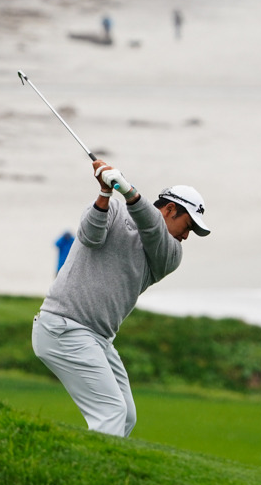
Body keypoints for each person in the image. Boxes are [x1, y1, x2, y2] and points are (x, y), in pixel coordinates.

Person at [32, 159, 210, 437]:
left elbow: (152, 229)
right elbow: (90, 237)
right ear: (171, 209)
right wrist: (105, 193)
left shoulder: (170, 253)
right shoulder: (114, 209)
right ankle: (94, 477)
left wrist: (130, 192)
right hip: (63, 327)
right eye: (187, 226)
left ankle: (105, 468)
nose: (187, 236)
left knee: (125, 415)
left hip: (98, 338)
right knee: (111, 412)